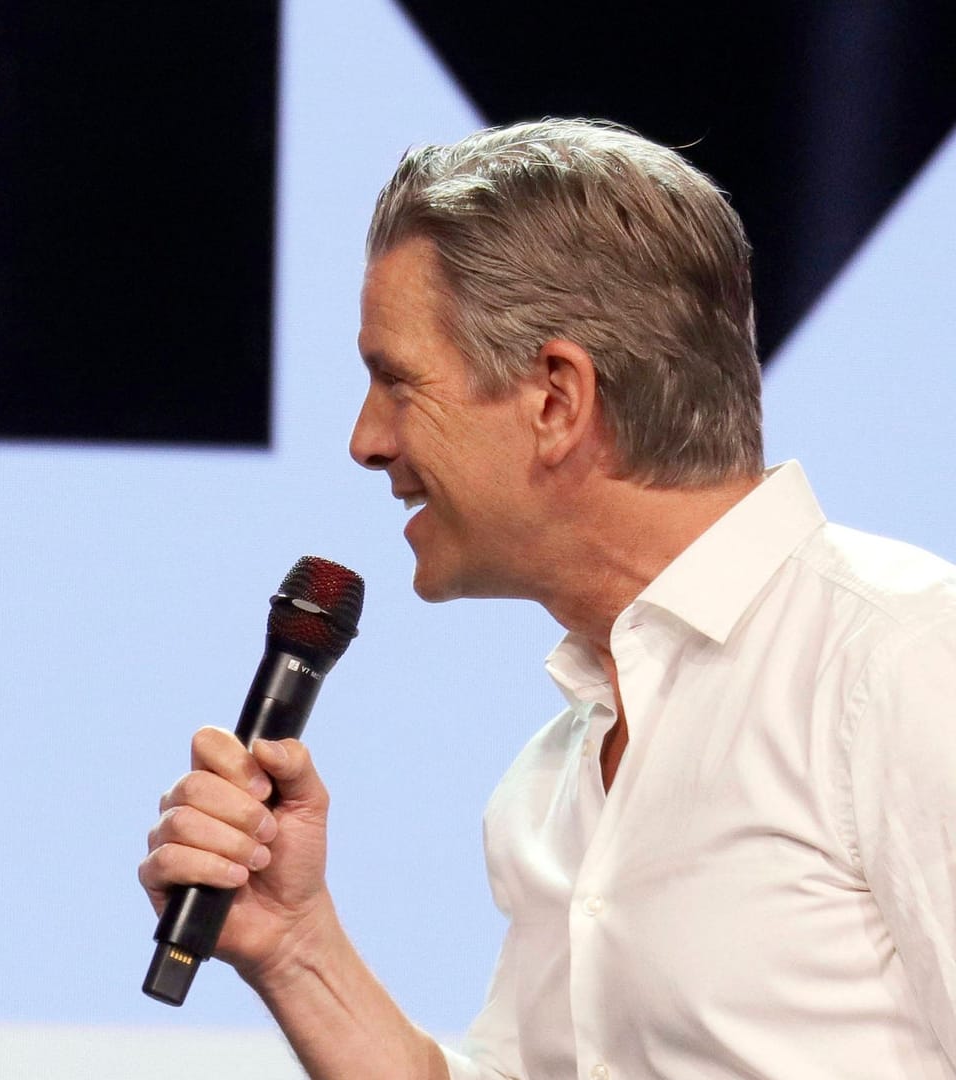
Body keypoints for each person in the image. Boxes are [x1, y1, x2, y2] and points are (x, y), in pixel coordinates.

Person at [139, 119, 956, 1079]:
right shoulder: (561, 770)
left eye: (397, 383)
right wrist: (298, 947)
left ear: (557, 400)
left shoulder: (905, 666)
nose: (366, 440)